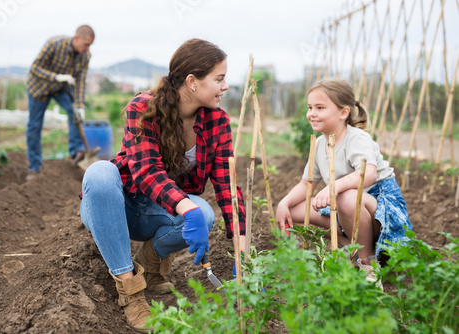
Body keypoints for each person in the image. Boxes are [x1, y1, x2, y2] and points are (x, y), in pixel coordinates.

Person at [79, 39, 246, 332]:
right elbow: (146, 173)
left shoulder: (217, 121)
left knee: (205, 214)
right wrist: (186, 208)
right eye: (219, 79)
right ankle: (130, 290)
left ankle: (151, 261)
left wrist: (242, 249)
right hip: (120, 207)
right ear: (192, 82)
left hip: (158, 212)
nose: (225, 86)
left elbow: (227, 185)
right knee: (99, 172)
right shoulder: (143, 107)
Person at [275, 78, 412, 288]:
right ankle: (349, 243)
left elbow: (368, 175)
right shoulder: (320, 143)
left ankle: (367, 263)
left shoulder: (356, 138)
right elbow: (306, 185)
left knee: (347, 196)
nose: (312, 113)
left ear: (343, 113)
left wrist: (333, 187)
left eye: (320, 107)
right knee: (294, 210)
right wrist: (283, 203)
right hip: (346, 209)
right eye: (310, 107)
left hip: (381, 211)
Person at [25, 25, 94, 181]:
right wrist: (56, 77)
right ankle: (34, 167)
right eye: (86, 44)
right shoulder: (54, 44)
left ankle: (76, 152)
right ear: (77, 38)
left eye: (90, 45)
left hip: (60, 89)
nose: (88, 48)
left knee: (74, 113)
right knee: (35, 126)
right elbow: (35, 68)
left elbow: (81, 81)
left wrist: (80, 106)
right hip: (39, 88)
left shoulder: (85, 56)